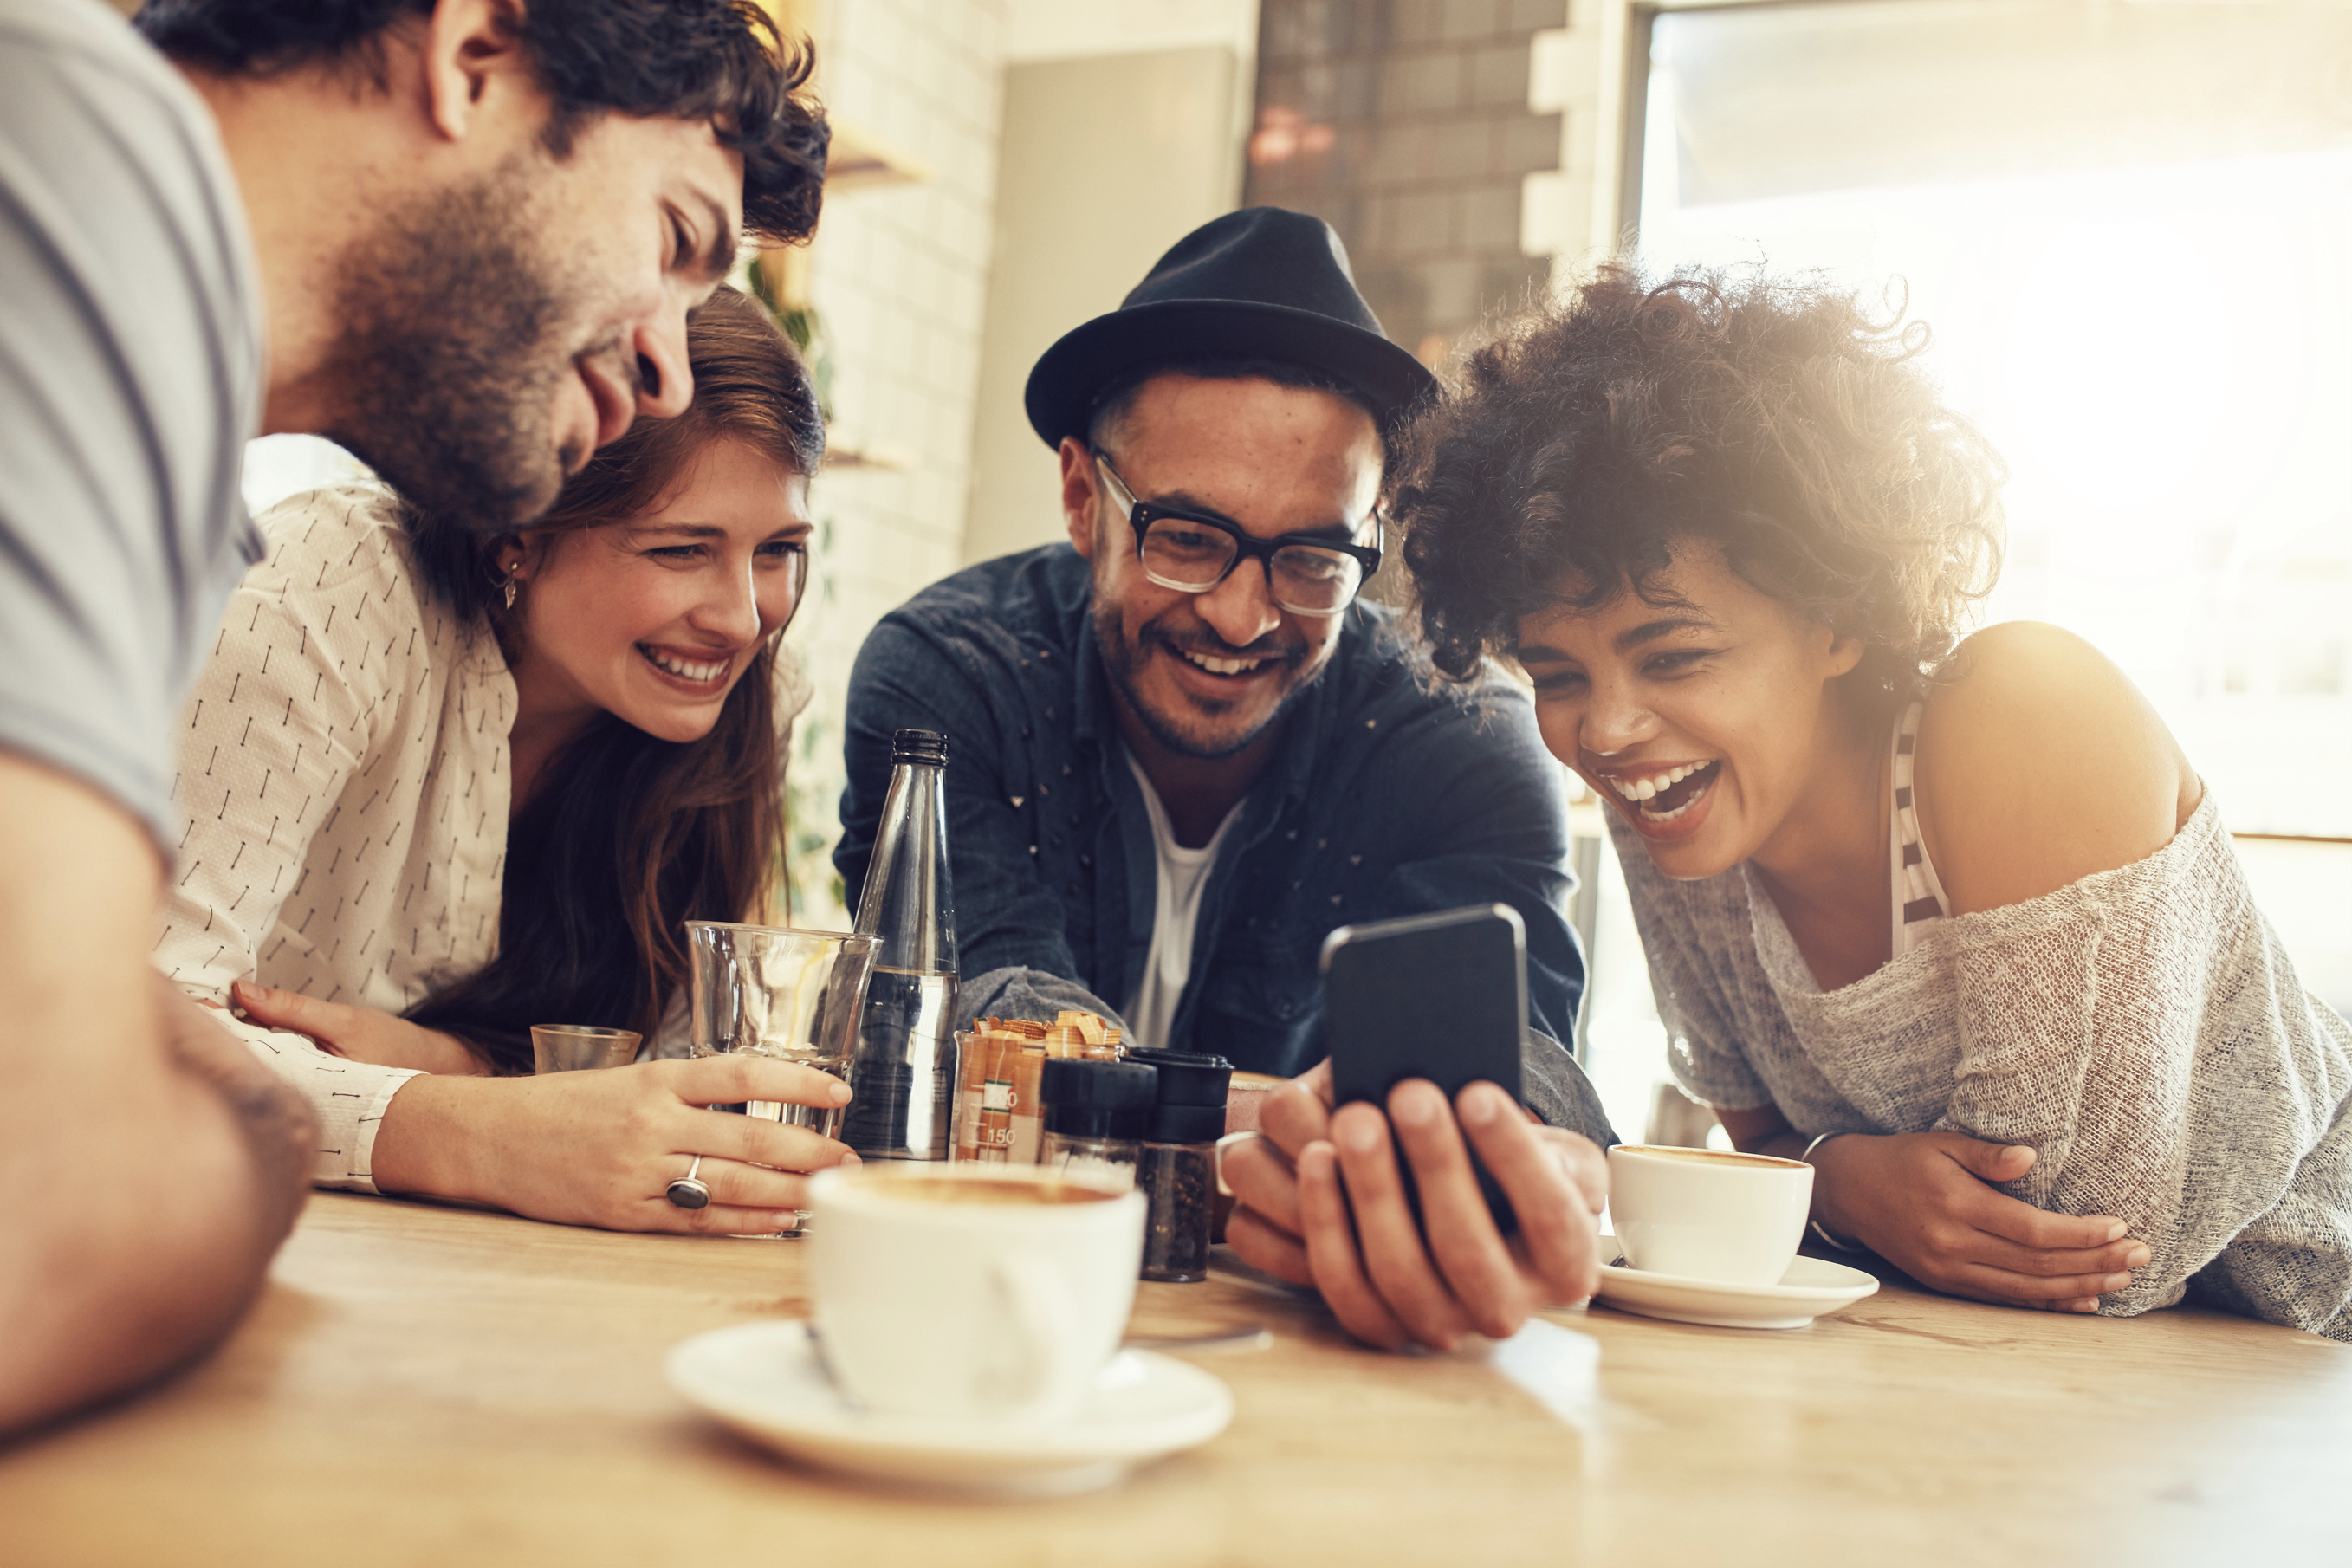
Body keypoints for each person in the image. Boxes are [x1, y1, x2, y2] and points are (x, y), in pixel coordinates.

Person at [0, 0, 823, 1434]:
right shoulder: (73, 161)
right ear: (473, 58)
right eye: (677, 241)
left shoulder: (186, 452)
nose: (674, 375)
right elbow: (54, 1214)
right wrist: (275, 1121)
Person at [1396, 264, 2352, 1340]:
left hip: (2312, 1340)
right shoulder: (1676, 800)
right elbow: (1766, 1178)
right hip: (2082, 1389)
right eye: (1558, 675)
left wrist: (1829, 1187)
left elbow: (2084, 1251)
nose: (1605, 731)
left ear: (1839, 618)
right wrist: (1840, 1182)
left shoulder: (2024, 710)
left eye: (1675, 655)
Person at [836, 208, 1615, 1351]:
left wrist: (1505, 1152)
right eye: (1188, 538)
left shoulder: (1458, 735)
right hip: (977, 1308)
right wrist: (1290, 1131)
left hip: (1312, 1343)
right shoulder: (952, 680)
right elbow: (984, 1031)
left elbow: (1518, 1068)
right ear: (1076, 495)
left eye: (1309, 559)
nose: (1242, 617)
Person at [158, 288, 859, 1235]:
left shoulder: (746, 702)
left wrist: (459, 1066)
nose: (742, 617)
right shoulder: (329, 590)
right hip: (190, 1237)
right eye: (682, 549)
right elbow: (130, 1024)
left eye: (776, 550)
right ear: (517, 535)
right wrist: (465, 1128)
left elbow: (669, 1078)